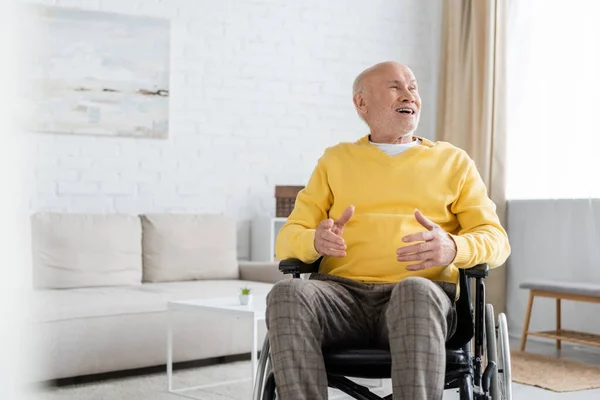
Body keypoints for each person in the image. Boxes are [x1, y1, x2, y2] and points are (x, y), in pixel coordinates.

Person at [265, 61, 511, 400]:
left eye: (413, 86)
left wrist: (454, 247)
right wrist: (314, 240)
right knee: (286, 293)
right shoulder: (335, 160)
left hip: (420, 298)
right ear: (361, 104)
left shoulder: (453, 162)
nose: (409, 94)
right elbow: (286, 240)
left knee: (414, 291)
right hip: (341, 299)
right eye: (395, 86)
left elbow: (496, 240)